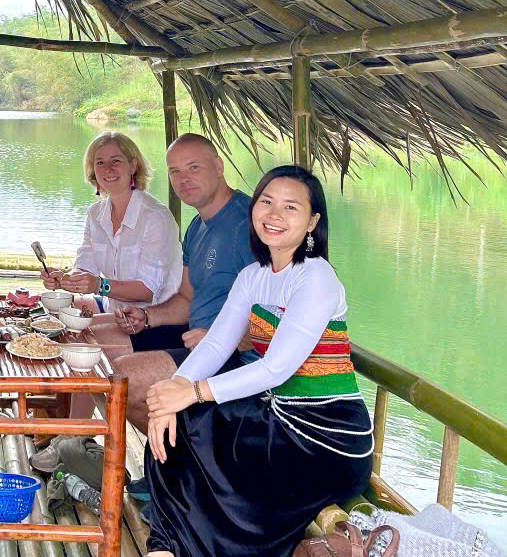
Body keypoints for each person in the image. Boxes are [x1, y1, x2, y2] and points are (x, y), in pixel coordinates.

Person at [143, 165, 373, 557]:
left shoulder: (316, 277)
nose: (274, 215)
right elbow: (215, 347)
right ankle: (167, 545)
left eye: (290, 207)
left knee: (199, 425)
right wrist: (171, 395)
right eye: (266, 202)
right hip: (279, 420)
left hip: (329, 439)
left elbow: (275, 369)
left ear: (313, 221)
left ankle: (193, 545)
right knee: (179, 424)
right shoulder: (253, 275)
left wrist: (191, 392)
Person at [109, 133, 256, 437]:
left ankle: (177, 464)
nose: (183, 179)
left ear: (218, 166)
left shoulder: (249, 225)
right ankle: (172, 464)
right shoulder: (197, 226)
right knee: (99, 342)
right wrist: (148, 317)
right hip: (193, 338)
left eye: (193, 168)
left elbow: (275, 312)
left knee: (122, 376)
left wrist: (222, 339)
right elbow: (187, 297)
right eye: (175, 171)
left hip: (236, 357)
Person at [42, 132, 182, 364]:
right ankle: (80, 395)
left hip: (153, 320)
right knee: (53, 317)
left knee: (76, 343)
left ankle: (99, 395)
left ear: (133, 165)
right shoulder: (95, 214)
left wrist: (99, 285)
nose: (108, 169)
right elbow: (85, 268)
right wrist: (64, 279)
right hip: (115, 311)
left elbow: (148, 290)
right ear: (93, 172)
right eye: (100, 163)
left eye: (115, 160)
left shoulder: (156, 217)